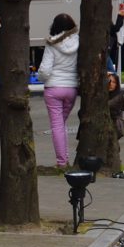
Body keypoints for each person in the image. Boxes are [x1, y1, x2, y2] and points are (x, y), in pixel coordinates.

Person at [36, 13, 83, 166]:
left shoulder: (52, 44)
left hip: (53, 89)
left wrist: (42, 79)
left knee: (57, 126)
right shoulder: (80, 42)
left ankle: (62, 162)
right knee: (61, 125)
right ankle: (65, 159)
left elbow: (44, 70)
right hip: (71, 89)